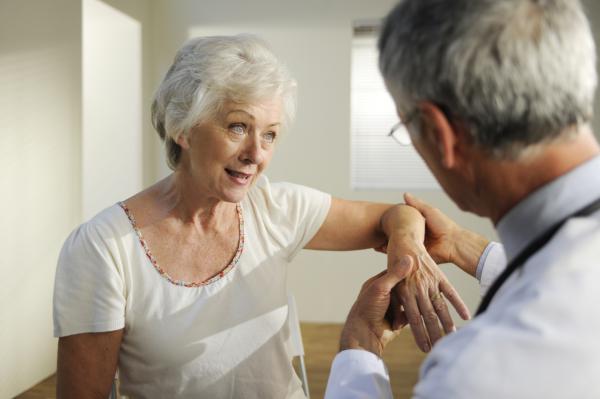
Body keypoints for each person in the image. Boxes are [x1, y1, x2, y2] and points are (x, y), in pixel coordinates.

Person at [52, 34, 468, 398]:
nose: (257, 154)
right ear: (183, 127)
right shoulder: (103, 247)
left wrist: (408, 254)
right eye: (238, 127)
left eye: (269, 133)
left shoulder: (276, 208)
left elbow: (400, 216)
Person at [325, 0, 600, 398]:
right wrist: (462, 245)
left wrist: (359, 348)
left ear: (440, 135)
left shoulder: (481, 371)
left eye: (407, 128)